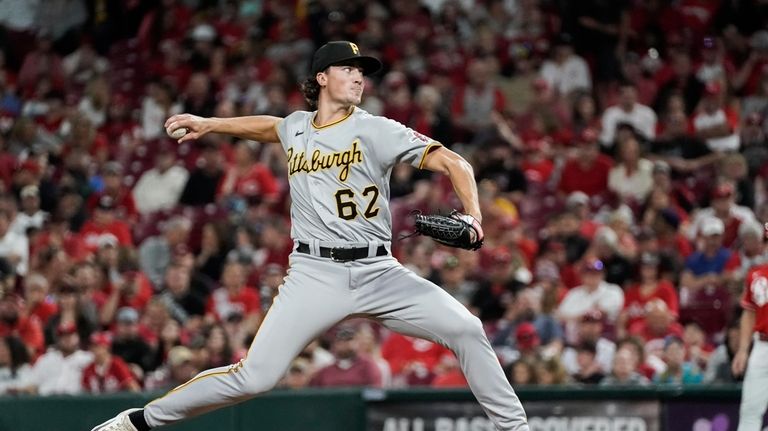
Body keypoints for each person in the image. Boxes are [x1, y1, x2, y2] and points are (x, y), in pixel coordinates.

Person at [90, 41, 529, 431]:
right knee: (255, 377)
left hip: (379, 270)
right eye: (348, 68)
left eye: (362, 71)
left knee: (468, 329)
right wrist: (211, 124)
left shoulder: (375, 128)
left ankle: (515, 429)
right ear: (322, 78)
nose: (358, 76)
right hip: (314, 273)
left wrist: (474, 216)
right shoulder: (297, 127)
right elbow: (271, 126)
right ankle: (139, 421)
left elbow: (456, 162)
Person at [732, 259, 768, 431]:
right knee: (750, 412)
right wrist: (743, 350)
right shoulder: (757, 274)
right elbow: (749, 313)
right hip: (761, 345)